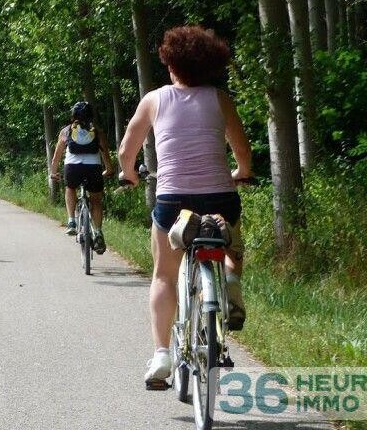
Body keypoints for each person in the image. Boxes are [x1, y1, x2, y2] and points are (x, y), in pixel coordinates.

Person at [117, 25, 253, 390]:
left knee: (163, 275)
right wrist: (243, 171)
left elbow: (127, 149)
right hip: (220, 199)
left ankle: (162, 353)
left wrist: (127, 174)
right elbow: (241, 148)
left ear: (170, 63)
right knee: (231, 245)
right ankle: (230, 282)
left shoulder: (154, 99)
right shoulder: (219, 99)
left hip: (173, 200)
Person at [49, 101, 114, 253]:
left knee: (70, 188)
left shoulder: (66, 131)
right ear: (91, 115)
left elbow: (57, 156)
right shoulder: (97, 131)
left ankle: (71, 220)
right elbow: (105, 154)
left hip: (72, 168)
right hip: (93, 168)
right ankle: (97, 232)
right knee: (96, 201)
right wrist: (109, 170)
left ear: (73, 116)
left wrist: (53, 172)